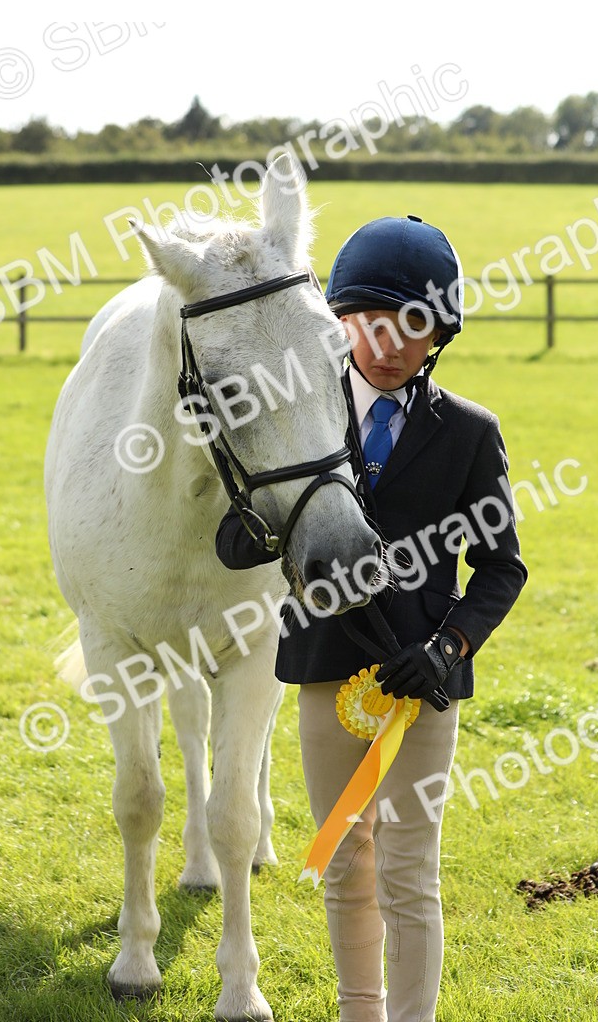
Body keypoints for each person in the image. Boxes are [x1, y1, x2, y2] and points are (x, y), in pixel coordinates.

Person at [216, 214, 527, 1022]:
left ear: (439, 336)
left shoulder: (469, 433)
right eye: (377, 323)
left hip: (422, 683)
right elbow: (258, 511)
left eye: (416, 328)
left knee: (409, 871)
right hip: (325, 669)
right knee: (347, 864)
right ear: (346, 317)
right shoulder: (300, 414)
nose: (392, 345)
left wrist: (449, 645)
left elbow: (502, 566)